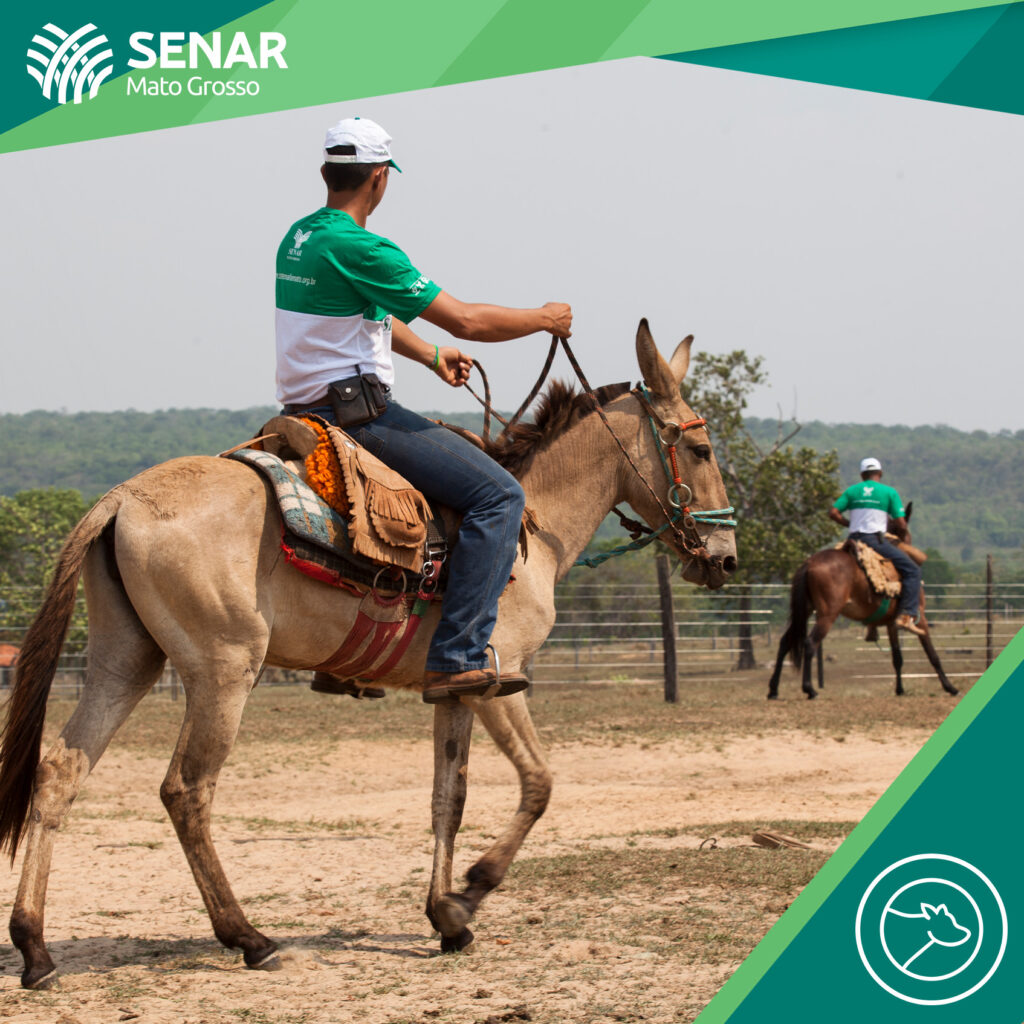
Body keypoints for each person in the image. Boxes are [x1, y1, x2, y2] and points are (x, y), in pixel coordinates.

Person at [275, 116, 573, 703]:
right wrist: (544, 319)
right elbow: (467, 320)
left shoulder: (300, 237)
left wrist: (431, 355)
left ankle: (343, 655)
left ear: (326, 173)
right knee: (500, 497)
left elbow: (364, 317)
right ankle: (457, 656)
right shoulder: (363, 248)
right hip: (360, 419)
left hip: (304, 410)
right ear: (379, 178)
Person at [828, 457, 925, 635]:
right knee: (913, 571)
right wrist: (901, 535)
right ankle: (906, 615)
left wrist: (849, 523)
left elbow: (833, 513)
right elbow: (901, 525)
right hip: (874, 540)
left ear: (862, 475)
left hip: (853, 539)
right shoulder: (889, 492)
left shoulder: (852, 491)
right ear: (880, 473)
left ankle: (871, 625)